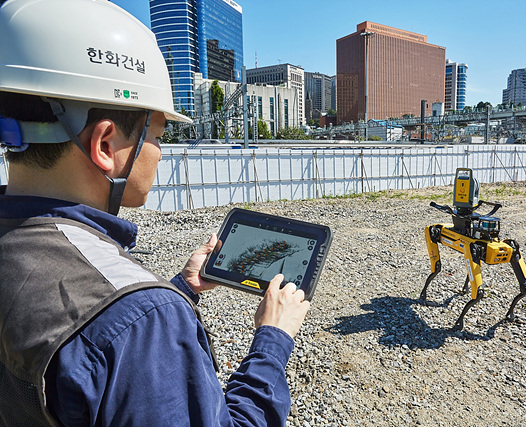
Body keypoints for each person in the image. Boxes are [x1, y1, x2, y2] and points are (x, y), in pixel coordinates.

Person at [0, 0, 310, 426]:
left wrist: (180, 289)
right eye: (159, 135)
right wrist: (273, 338)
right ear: (106, 145)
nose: (162, 154)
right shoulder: (147, 322)